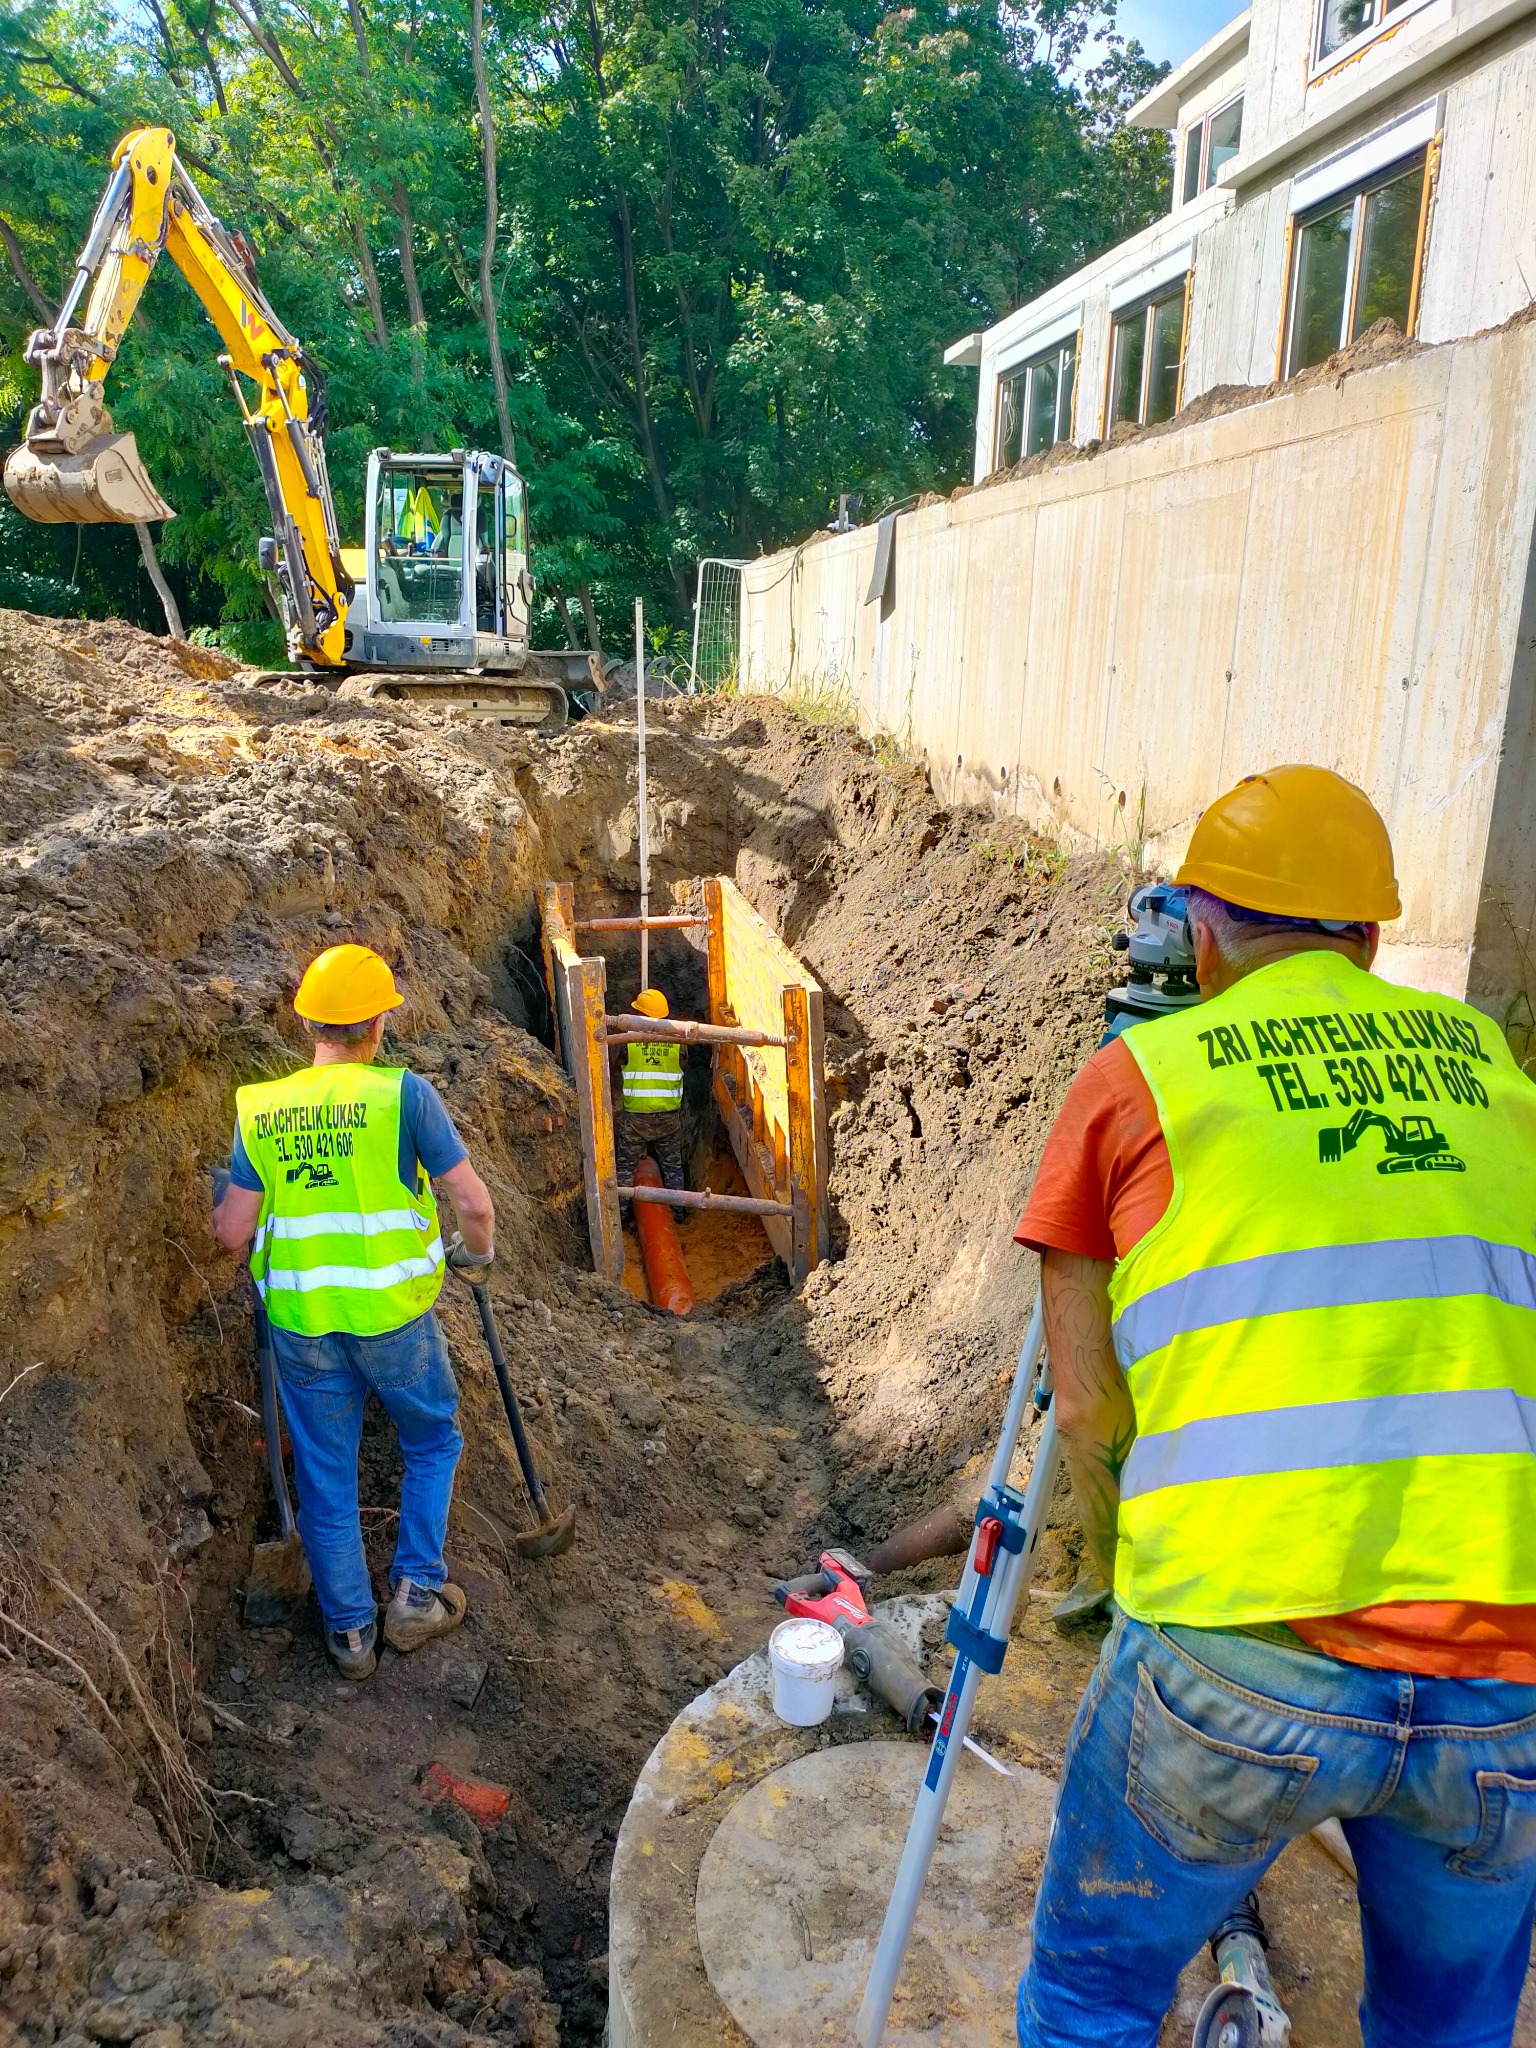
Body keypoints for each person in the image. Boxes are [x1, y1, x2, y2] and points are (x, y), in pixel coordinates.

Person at [1012, 766, 1536, 2048]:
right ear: (1368, 936)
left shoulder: (1139, 1081)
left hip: (1236, 1652)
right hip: (1505, 1675)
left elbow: (1084, 1412)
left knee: (1090, 2001)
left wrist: (1116, 1586)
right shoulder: (1501, 1071)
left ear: (1198, 933)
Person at [214, 944, 496, 1681]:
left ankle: (350, 1638)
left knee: (326, 1478)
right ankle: (414, 1592)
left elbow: (232, 1232)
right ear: (377, 1026)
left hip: (303, 1326)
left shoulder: (261, 1110)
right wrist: (477, 1254)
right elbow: (472, 1202)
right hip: (394, 1322)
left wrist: (233, 1190)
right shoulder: (402, 1097)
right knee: (432, 1441)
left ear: (307, 1021)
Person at [613, 987, 687, 1203]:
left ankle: (623, 1214)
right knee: (673, 1169)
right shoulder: (677, 1041)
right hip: (668, 1116)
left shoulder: (628, 1041)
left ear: (641, 1014)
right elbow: (683, 1065)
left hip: (636, 1117)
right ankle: (678, 1212)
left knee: (625, 1169)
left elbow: (618, 1064)